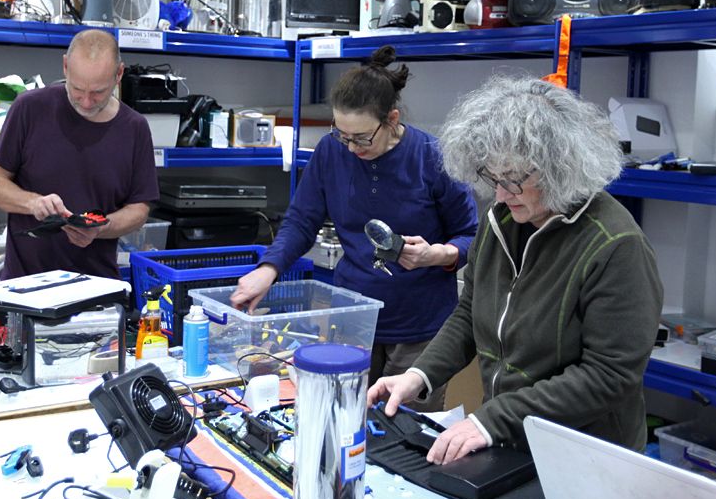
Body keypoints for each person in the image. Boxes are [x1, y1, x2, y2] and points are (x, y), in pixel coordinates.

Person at [368, 74, 664, 464]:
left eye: (514, 180)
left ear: (562, 167)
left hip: (585, 457)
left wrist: (491, 419)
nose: (501, 194)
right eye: (493, 177)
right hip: (511, 441)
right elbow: (468, 313)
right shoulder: (503, 220)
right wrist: (419, 376)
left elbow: (608, 377)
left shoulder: (615, 246)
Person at [230, 46, 479, 408]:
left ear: (392, 119)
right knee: (342, 421)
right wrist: (269, 270)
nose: (351, 148)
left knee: (406, 436)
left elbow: (472, 235)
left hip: (420, 329)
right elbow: (302, 219)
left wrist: (437, 255)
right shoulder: (331, 152)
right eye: (342, 135)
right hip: (354, 317)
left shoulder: (432, 157)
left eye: (362, 138)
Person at [0, 28, 159, 280]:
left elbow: (139, 209)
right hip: (26, 288)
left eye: (98, 92)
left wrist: (101, 227)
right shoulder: (29, 109)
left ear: (119, 74)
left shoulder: (135, 128)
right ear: (65, 66)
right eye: (77, 89)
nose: (86, 102)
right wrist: (33, 203)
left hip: (97, 287)